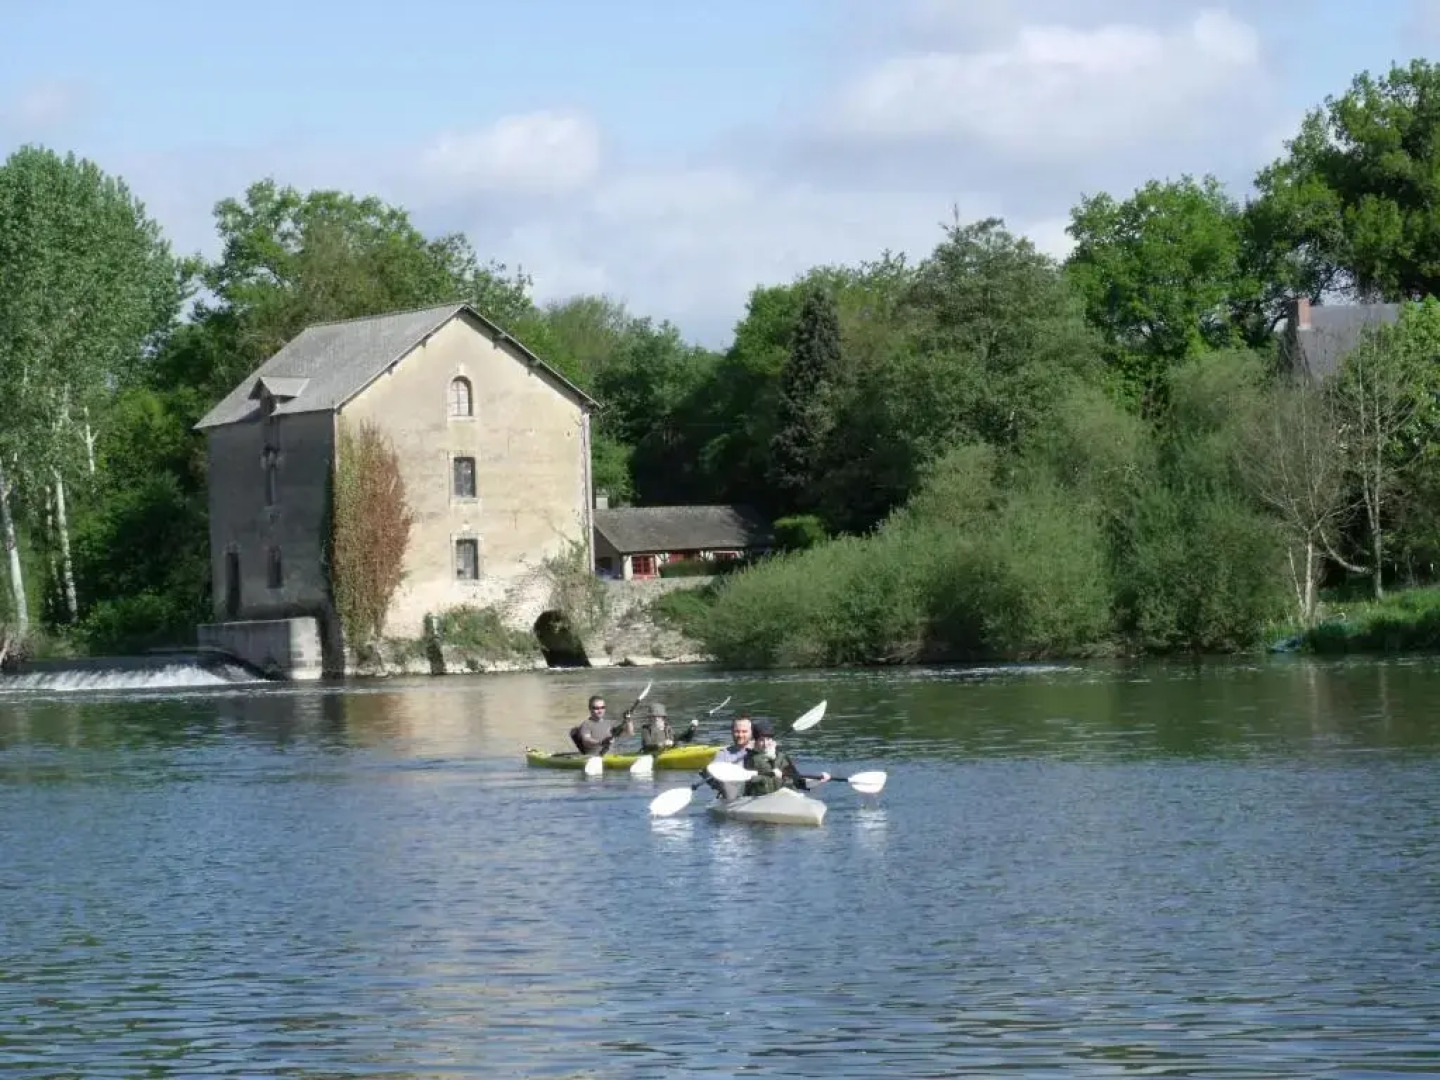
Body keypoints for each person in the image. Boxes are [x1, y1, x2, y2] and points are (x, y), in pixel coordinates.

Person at [742, 718, 830, 796]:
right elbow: (748, 781)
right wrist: (770, 773)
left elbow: (799, 782)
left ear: (772, 740)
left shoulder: (782, 758)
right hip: (758, 801)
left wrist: (818, 779)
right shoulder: (749, 759)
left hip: (784, 800)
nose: (765, 744)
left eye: (768, 739)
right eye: (761, 740)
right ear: (755, 741)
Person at [703, 712, 753, 800]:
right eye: (737, 731)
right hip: (734, 799)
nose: (740, 735)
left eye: (744, 731)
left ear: (751, 732)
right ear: (732, 732)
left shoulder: (761, 748)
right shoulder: (723, 754)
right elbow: (711, 771)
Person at [568, 693, 634, 756]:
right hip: (593, 758)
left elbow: (629, 733)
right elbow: (586, 741)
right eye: (596, 708)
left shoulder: (609, 724)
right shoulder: (586, 724)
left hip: (610, 756)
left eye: (602, 707)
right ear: (590, 708)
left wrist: (628, 720)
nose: (600, 711)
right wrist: (601, 742)